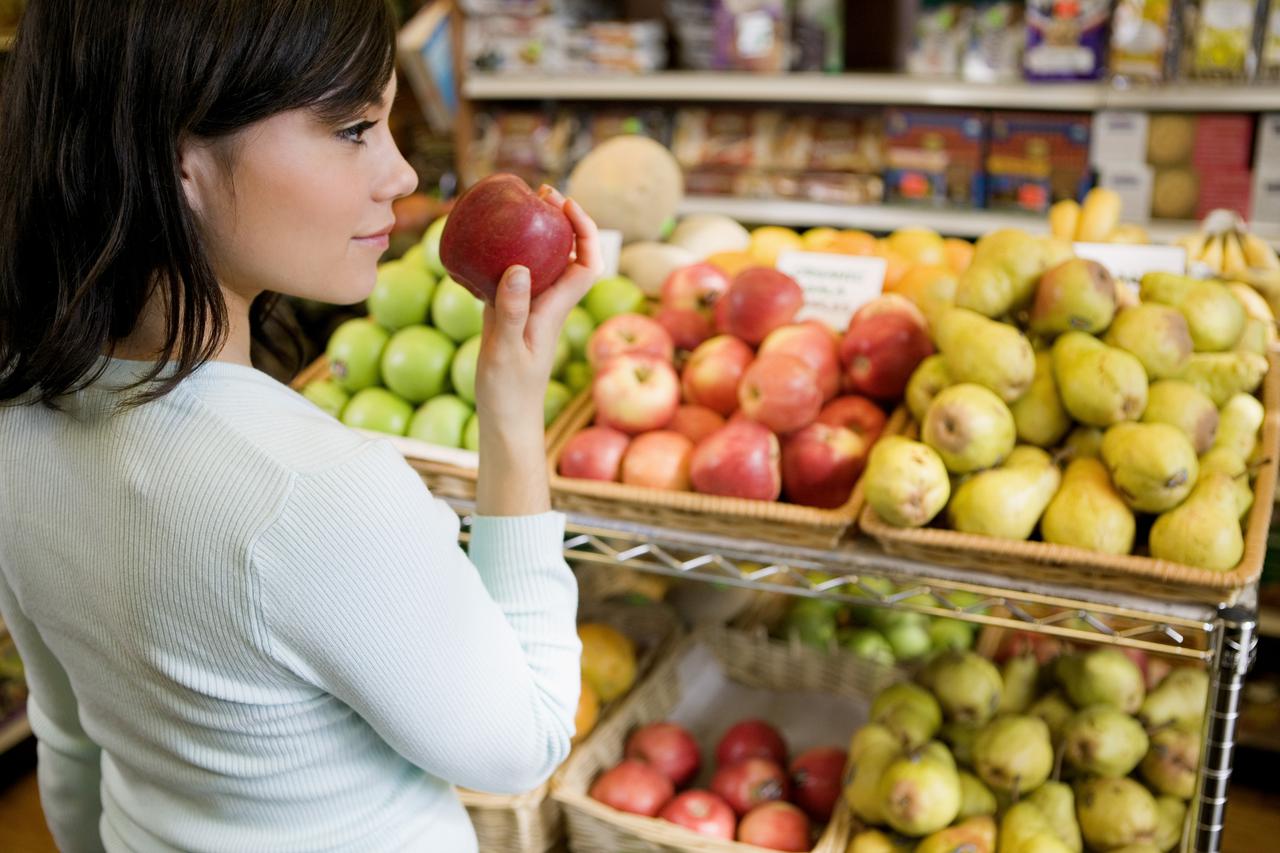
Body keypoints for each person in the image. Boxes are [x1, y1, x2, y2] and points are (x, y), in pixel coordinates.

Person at [0, 2, 599, 850]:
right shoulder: (312, 488)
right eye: (355, 128)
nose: (401, 175)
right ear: (180, 158)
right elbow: (523, 740)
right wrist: (513, 412)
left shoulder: (16, 416)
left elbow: (71, 745)